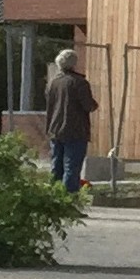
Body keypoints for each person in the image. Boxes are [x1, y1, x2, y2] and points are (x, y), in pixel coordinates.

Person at [43, 49, 98, 194]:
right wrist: (94, 105)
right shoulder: (79, 83)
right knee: (71, 168)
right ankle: (69, 202)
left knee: (56, 167)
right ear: (74, 63)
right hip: (75, 130)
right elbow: (88, 105)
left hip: (55, 129)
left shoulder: (53, 83)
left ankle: (54, 200)